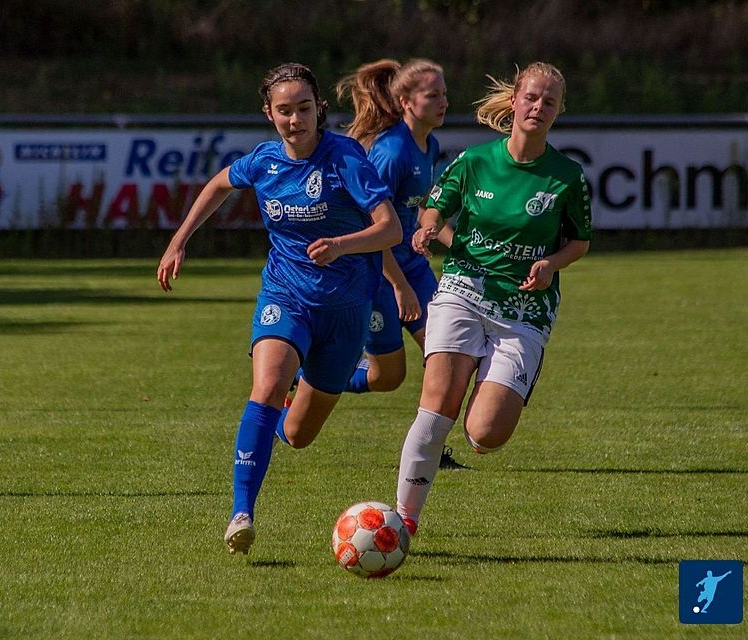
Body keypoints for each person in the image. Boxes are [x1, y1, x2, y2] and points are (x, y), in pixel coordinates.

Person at [157, 62, 401, 555]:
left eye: (304, 108)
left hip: (346, 310)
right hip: (285, 296)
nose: (296, 119)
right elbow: (219, 184)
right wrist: (180, 239)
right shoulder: (264, 162)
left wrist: (342, 244)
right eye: (285, 111)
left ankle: (299, 398)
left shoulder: (346, 158)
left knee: (297, 432)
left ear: (319, 109)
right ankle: (241, 514)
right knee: (266, 386)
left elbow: (390, 229)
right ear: (269, 113)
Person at [394, 62, 593, 536]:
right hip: (463, 289)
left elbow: (579, 242)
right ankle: (402, 522)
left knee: (487, 433)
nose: (538, 107)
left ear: (559, 111)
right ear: (513, 102)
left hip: (524, 309)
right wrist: (427, 232)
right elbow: (433, 209)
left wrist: (550, 265)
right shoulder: (474, 161)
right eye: (531, 97)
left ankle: (490, 396)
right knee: (437, 403)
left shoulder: (567, 177)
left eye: (549, 101)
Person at [333, 59, 448, 395]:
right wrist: (400, 286)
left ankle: (426, 446)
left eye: (443, 94)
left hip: (411, 265)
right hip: (378, 272)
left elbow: (422, 206)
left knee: (446, 355)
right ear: (406, 103)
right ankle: (304, 374)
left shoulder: (429, 145)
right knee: (387, 377)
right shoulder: (392, 152)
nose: (443, 102)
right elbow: (371, 225)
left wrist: (454, 243)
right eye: (432, 96)